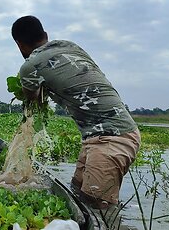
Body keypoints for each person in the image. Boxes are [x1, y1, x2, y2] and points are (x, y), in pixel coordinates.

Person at [11, 15, 141, 210]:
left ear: (20, 45)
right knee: (77, 191)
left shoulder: (30, 66)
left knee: (99, 207)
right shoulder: (70, 46)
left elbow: (34, 99)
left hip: (112, 138)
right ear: (45, 35)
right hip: (97, 138)